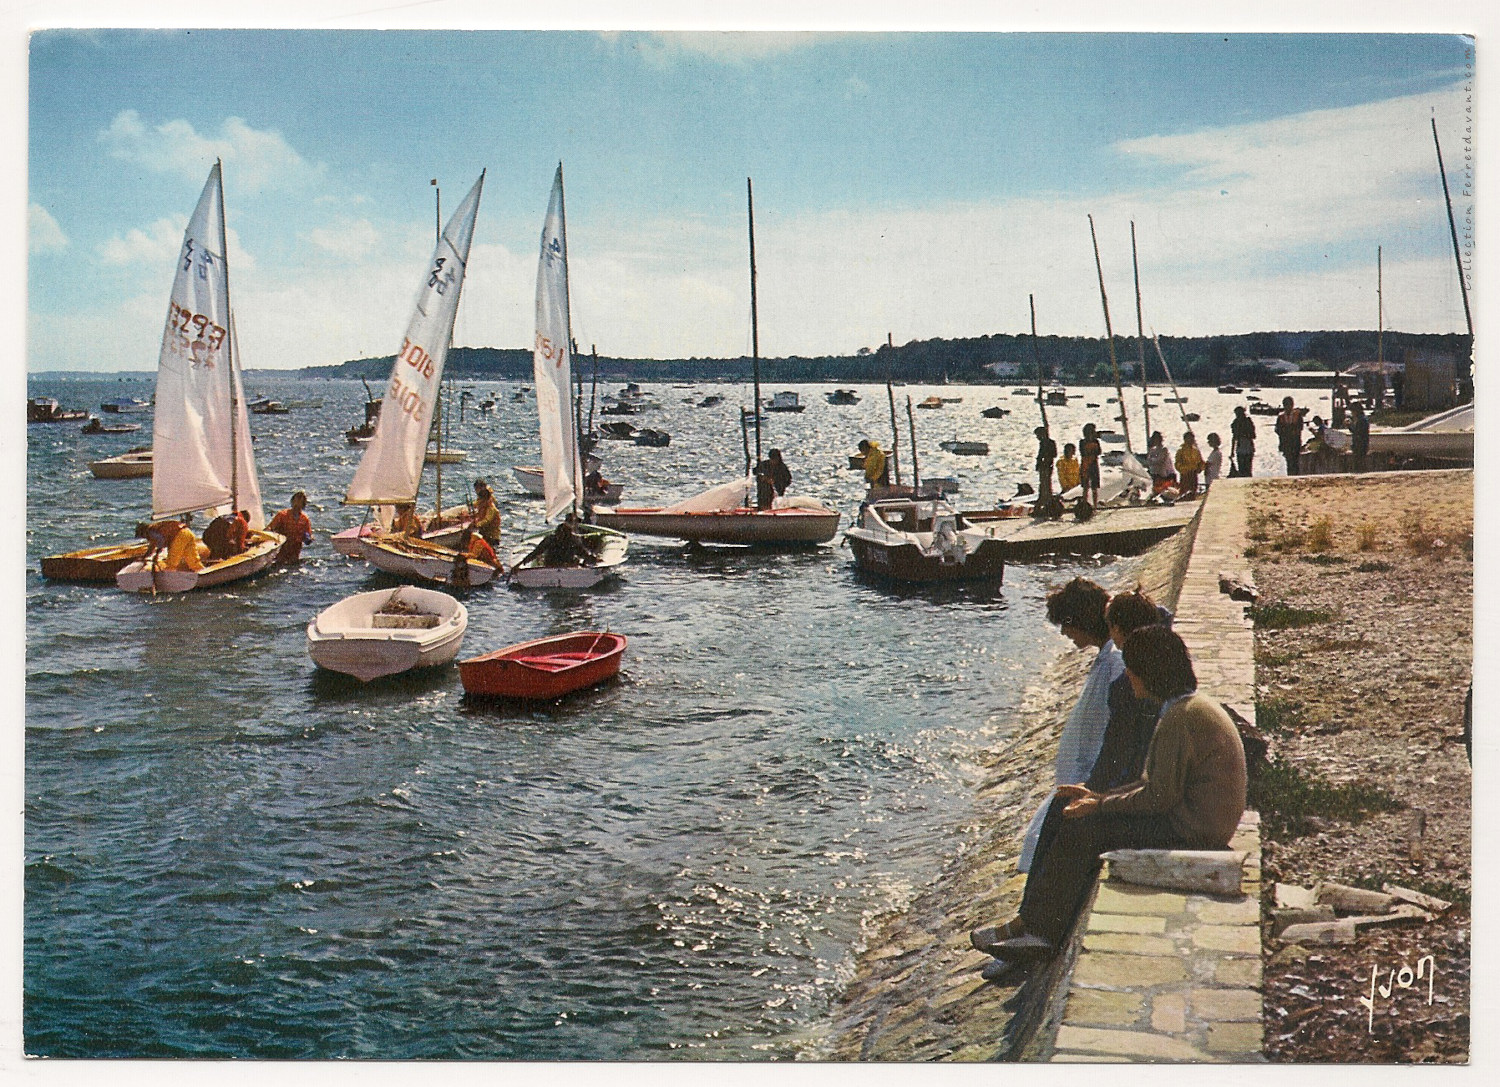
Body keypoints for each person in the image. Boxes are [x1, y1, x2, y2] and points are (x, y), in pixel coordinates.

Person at [976, 627, 1246, 980]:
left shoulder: (1181, 719)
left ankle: (1042, 932)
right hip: (1187, 819)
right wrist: (1097, 797)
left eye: (1132, 673)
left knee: (1086, 828)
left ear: (1147, 675)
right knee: (1065, 808)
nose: (1130, 681)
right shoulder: (1184, 709)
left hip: (1194, 831)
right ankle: (1030, 920)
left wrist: (1100, 808)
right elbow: (1156, 786)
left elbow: (1158, 798)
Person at [1015, 578, 1123, 874]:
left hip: (1093, 773)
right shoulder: (1108, 657)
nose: (1064, 632)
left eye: (1066, 623)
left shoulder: (1115, 661)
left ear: (1080, 621)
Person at [268, 491, 313, 564]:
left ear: (303, 505)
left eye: (300, 502)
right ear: (292, 502)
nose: (297, 504)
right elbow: (270, 528)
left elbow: (308, 534)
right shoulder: (282, 515)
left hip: (295, 550)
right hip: (282, 548)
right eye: (295, 501)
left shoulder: (305, 519)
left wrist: (308, 538)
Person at [1275, 397, 1307, 476]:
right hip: (1286, 443)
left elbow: (1300, 427)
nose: (1288, 407)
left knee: (1296, 462)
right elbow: (1277, 430)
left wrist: (1291, 430)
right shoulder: (1281, 417)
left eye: (1289, 405)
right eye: (1286, 405)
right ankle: (1290, 476)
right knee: (1289, 462)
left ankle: (1295, 476)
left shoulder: (1297, 415)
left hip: (1295, 442)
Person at [1034, 427, 1058, 516]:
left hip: (1047, 466)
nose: (1038, 437)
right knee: (1043, 485)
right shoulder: (1043, 443)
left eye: (1038, 435)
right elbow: (1040, 455)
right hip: (1043, 467)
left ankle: (1045, 504)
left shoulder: (1049, 443)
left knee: (1046, 485)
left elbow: (1054, 454)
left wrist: (1046, 458)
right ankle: (1043, 503)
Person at [1078, 425, 1102, 509]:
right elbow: (1083, 453)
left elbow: (1099, 452)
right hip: (1086, 465)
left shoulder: (1096, 441)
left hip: (1093, 465)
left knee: (1094, 487)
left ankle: (1095, 505)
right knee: (1085, 487)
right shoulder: (1082, 442)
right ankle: (1085, 504)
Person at [1175, 432, 1204, 498]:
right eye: (1189, 439)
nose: (1191, 440)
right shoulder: (1181, 451)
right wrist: (1184, 470)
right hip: (1185, 475)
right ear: (1185, 439)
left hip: (1193, 474)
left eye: (1192, 439)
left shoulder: (1195, 450)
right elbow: (1177, 464)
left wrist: (1200, 468)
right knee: (1184, 493)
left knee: (1193, 492)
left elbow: (1200, 462)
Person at [471, 479, 501, 545]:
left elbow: (487, 520)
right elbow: (478, 503)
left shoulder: (491, 506)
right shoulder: (482, 499)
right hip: (484, 533)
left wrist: (477, 524)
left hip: (492, 537)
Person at [1229, 406, 1256, 478]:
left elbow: (1234, 438)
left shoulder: (1237, 423)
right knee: (1247, 469)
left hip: (1244, 448)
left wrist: (1232, 452)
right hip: (1245, 448)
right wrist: (1232, 451)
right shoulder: (1245, 422)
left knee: (1243, 469)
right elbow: (1253, 436)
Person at [1350, 402, 1370, 473]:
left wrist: (1350, 426)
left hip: (1360, 444)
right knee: (1360, 462)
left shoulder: (1361, 420)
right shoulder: (1363, 419)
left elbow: (1357, 432)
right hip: (1362, 443)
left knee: (1359, 462)